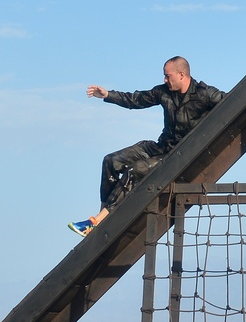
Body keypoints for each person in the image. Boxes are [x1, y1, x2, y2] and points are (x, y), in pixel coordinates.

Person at [68, 56, 226, 237]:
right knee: (111, 161)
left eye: (168, 76)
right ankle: (99, 218)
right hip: (160, 147)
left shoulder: (205, 94)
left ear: (181, 75)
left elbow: (233, 103)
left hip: (178, 156)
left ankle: (96, 222)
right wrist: (108, 95)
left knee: (135, 170)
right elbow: (136, 99)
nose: (165, 80)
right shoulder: (163, 92)